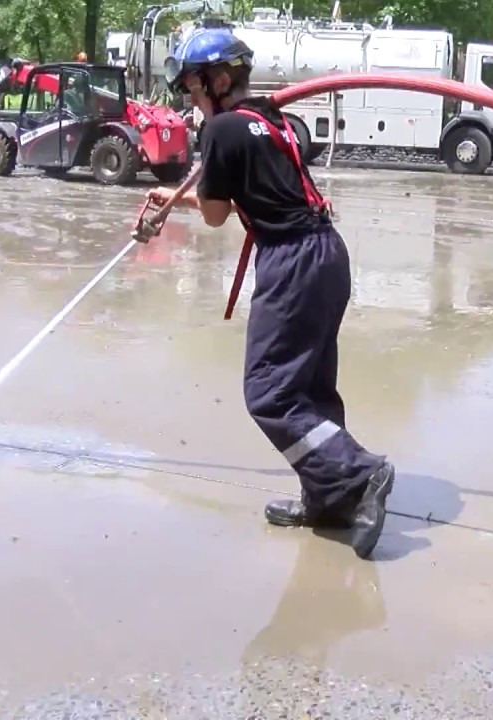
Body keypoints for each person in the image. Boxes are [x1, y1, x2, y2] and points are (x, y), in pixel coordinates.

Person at [146, 28, 396, 560]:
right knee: (309, 387)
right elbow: (260, 198)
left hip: (291, 262)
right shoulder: (271, 120)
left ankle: (361, 472)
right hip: (328, 252)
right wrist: (179, 196)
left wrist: (199, 162)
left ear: (216, 81)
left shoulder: (222, 133)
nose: (190, 102)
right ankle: (328, 498)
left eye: (192, 90)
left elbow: (216, 216)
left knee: (270, 393)